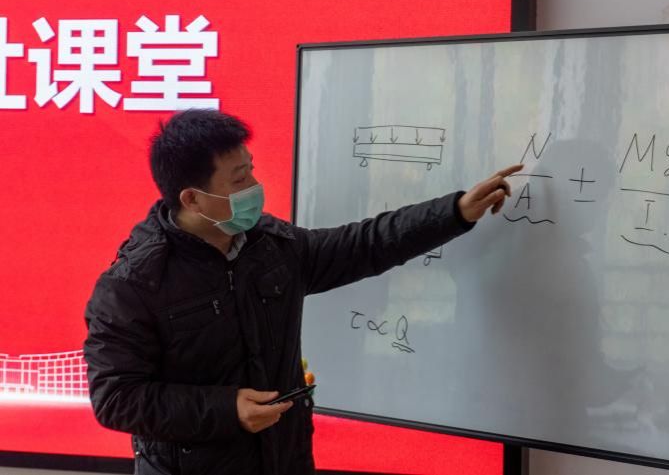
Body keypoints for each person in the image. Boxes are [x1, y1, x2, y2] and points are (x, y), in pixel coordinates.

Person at [83, 109, 522, 475]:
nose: (254, 186)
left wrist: (454, 212)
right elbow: (116, 399)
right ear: (192, 199)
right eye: (239, 179)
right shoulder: (134, 285)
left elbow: (364, 244)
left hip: (284, 460)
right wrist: (226, 409)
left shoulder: (270, 246)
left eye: (251, 169)